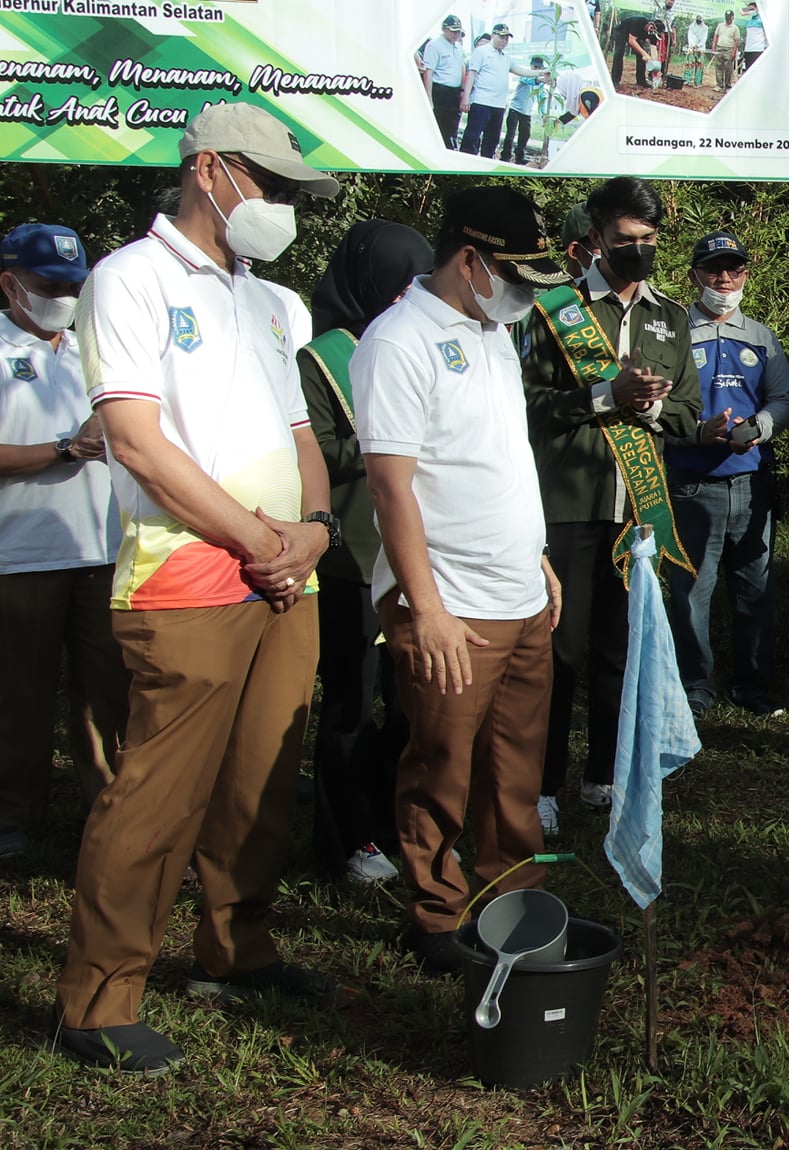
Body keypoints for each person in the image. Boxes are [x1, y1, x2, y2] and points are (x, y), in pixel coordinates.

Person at [53, 103, 339, 1073]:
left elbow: (303, 436)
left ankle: (235, 950)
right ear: (209, 169)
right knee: (155, 801)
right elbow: (135, 440)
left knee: (261, 780)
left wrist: (315, 528)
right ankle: (98, 1001)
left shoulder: (264, 297)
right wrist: (258, 536)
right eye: (271, 184)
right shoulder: (126, 279)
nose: (285, 206)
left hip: (281, 579)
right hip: (186, 576)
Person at [357, 186, 568, 974]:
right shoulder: (400, 340)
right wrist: (426, 608)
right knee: (441, 766)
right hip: (450, 602)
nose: (524, 295)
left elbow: (500, 457)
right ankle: (435, 916)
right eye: (515, 276)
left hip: (517, 591)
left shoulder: (494, 333)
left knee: (517, 771)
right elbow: (390, 487)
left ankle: (509, 900)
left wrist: (537, 554)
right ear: (470, 261)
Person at [521, 177, 699, 833]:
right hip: (569, 502)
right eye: (626, 241)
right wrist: (605, 395)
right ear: (595, 237)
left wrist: (649, 403)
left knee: (618, 651)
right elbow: (528, 406)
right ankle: (542, 782)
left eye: (649, 241)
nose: (639, 252)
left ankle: (601, 774)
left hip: (638, 510)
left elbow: (687, 412)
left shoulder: (671, 317)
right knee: (559, 649)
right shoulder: (552, 310)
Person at [300, 219, 434, 885]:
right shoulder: (322, 357)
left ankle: (395, 821)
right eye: (399, 282)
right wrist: (390, 441)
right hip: (349, 555)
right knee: (351, 702)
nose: (409, 295)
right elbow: (314, 449)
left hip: (412, 550)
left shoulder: (418, 343)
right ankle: (347, 837)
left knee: (411, 699)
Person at [0, 223, 124, 862]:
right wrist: (62, 449)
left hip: (100, 551)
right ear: (10, 283)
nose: (63, 298)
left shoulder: (92, 351)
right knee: (18, 695)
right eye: (50, 286)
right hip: (19, 556)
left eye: (74, 287)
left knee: (103, 695)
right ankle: (12, 818)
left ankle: (103, 814)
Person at [666, 231, 789, 718]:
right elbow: (656, 406)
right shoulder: (673, 331)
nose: (725, 279)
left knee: (755, 590)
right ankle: (696, 689)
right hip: (692, 483)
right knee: (690, 592)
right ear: (695, 274)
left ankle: (753, 688)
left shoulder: (761, 336)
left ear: (746, 274)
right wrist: (697, 431)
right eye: (714, 269)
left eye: (734, 269)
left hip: (751, 482)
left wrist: (759, 427)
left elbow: (783, 399)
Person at [461, 24, 548, 158]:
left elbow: (521, 71)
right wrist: (466, 97)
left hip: (498, 105)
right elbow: (472, 75)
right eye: (501, 37)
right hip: (481, 102)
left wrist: (541, 72)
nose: (504, 41)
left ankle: (486, 163)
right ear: (493, 36)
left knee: (492, 139)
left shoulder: (506, 58)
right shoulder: (481, 52)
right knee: (472, 136)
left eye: (507, 38)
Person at [417, 15, 467, 148]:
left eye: (458, 31)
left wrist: (462, 90)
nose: (456, 34)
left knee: (452, 129)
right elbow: (429, 72)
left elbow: (461, 69)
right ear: (444, 29)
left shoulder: (458, 47)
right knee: (438, 128)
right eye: (453, 31)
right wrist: (429, 97)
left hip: (454, 93)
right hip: (440, 91)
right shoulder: (434, 46)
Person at [499, 56, 549, 165]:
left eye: (539, 67)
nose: (536, 69)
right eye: (535, 67)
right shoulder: (525, 75)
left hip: (527, 112)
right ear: (531, 66)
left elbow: (541, 98)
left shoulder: (540, 83)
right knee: (510, 134)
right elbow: (528, 80)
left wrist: (544, 115)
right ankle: (505, 156)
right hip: (515, 109)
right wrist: (539, 79)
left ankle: (519, 157)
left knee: (525, 135)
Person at [612, 13, 668, 90]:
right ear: (650, 24)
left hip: (635, 36)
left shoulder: (653, 34)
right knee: (619, 52)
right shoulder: (638, 21)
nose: (651, 31)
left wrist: (655, 65)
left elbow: (653, 48)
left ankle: (641, 80)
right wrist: (644, 53)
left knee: (641, 56)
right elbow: (631, 40)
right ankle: (615, 80)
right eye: (651, 29)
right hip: (622, 31)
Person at [710, 11, 743, 91]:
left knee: (728, 69)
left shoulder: (735, 28)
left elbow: (736, 41)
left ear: (732, 17)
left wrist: (734, 52)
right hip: (719, 48)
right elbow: (716, 36)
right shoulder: (720, 26)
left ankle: (727, 85)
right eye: (727, 17)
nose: (728, 19)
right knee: (718, 67)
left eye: (730, 17)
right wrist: (713, 46)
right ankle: (719, 85)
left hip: (729, 49)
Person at [740, 2, 768, 72]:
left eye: (752, 9)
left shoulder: (762, 20)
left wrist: (766, 47)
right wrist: (749, 10)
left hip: (758, 50)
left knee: (757, 71)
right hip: (748, 50)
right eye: (749, 9)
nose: (750, 11)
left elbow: (766, 35)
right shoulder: (750, 21)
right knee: (748, 71)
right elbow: (741, 11)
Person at [683, 15, 710, 86]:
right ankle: (687, 80)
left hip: (700, 48)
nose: (698, 21)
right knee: (689, 64)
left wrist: (699, 45)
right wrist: (692, 45)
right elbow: (690, 36)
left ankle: (697, 82)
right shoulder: (691, 27)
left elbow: (704, 38)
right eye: (697, 20)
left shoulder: (705, 28)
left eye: (700, 20)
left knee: (699, 65)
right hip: (692, 48)